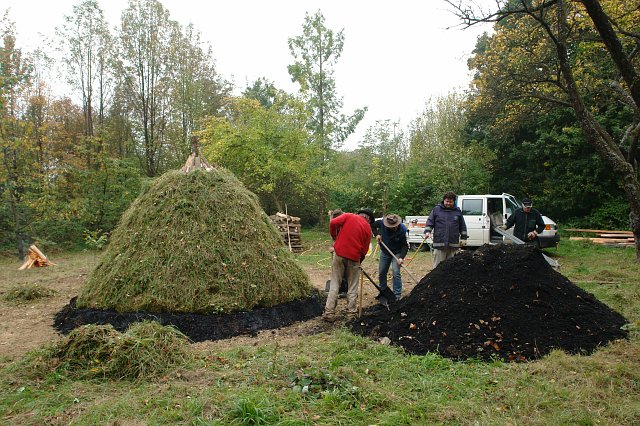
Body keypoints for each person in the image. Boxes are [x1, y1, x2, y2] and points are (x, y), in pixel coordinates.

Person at [324, 209, 372, 320]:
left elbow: (333, 222)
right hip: (354, 258)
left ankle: (329, 312)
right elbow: (365, 250)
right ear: (368, 219)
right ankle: (351, 313)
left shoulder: (349, 216)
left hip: (339, 254)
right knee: (352, 286)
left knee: (335, 283)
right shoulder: (368, 228)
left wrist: (334, 236)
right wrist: (360, 261)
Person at [424, 191, 468, 269]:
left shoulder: (457, 211)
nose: (448, 203)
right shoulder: (436, 209)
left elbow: (462, 225)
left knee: (451, 268)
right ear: (443, 200)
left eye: (450, 202)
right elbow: (430, 222)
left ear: (454, 201)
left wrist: (464, 237)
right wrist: (427, 231)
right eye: (447, 201)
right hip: (440, 243)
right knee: (437, 268)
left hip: (453, 244)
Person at [372, 213, 408, 301]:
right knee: (382, 272)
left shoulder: (403, 229)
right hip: (385, 252)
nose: (394, 228)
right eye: (391, 227)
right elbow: (372, 225)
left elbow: (405, 246)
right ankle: (383, 291)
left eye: (395, 226)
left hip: (397, 253)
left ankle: (397, 295)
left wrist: (401, 257)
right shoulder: (381, 223)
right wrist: (377, 234)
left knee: (396, 272)